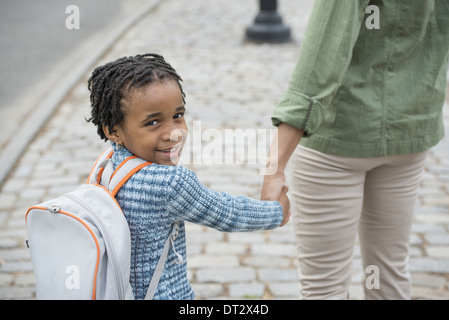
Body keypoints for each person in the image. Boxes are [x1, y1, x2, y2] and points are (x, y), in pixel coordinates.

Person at [261, 0, 449, 300]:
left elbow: (318, 66)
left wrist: (275, 167)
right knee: (389, 273)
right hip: (409, 130)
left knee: (325, 286)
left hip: (339, 137)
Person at [86, 53, 290, 300]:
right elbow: (228, 213)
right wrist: (276, 212)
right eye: (153, 123)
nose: (173, 133)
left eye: (177, 116)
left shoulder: (105, 165)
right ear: (113, 131)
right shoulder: (170, 184)